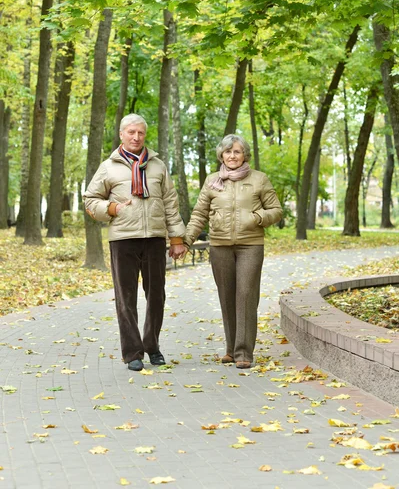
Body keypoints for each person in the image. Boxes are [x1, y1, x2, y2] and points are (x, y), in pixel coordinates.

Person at [83, 114, 186, 372]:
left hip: (153, 238)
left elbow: (171, 204)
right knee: (125, 297)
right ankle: (132, 353)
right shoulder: (109, 167)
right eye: (131, 132)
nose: (136, 137)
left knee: (156, 296)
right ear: (121, 134)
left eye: (140, 133)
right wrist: (113, 208)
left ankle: (152, 346)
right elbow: (90, 200)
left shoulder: (158, 166)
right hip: (123, 239)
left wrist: (175, 238)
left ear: (144, 135)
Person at [184, 135, 283, 369]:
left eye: (237, 152)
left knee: (246, 295)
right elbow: (199, 214)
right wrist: (186, 240)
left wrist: (257, 217)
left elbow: (276, 210)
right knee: (226, 296)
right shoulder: (212, 181)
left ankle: (244, 351)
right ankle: (230, 348)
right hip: (219, 246)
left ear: (245, 155)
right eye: (228, 152)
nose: (232, 156)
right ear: (221, 155)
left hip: (251, 244)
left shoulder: (259, 179)